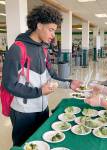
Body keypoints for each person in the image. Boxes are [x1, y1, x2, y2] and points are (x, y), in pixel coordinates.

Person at [2, 5, 81, 146]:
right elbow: (9, 84)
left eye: (54, 31)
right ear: (39, 25)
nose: (53, 35)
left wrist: (69, 83)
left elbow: (51, 75)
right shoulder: (17, 49)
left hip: (43, 109)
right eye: (51, 30)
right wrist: (39, 92)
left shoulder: (43, 49)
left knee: (42, 144)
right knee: (24, 145)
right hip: (23, 113)